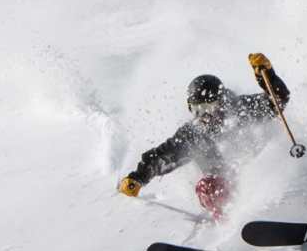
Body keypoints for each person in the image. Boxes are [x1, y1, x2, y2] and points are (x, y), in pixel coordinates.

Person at [116, 52, 292, 220]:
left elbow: (277, 100)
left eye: (209, 107)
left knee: (276, 162)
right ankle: (233, 223)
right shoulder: (193, 134)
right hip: (228, 188)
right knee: (208, 186)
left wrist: (267, 75)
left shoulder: (240, 110)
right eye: (197, 109)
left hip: (261, 173)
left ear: (221, 102)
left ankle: (288, 206)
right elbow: (163, 156)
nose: (204, 115)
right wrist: (137, 178)